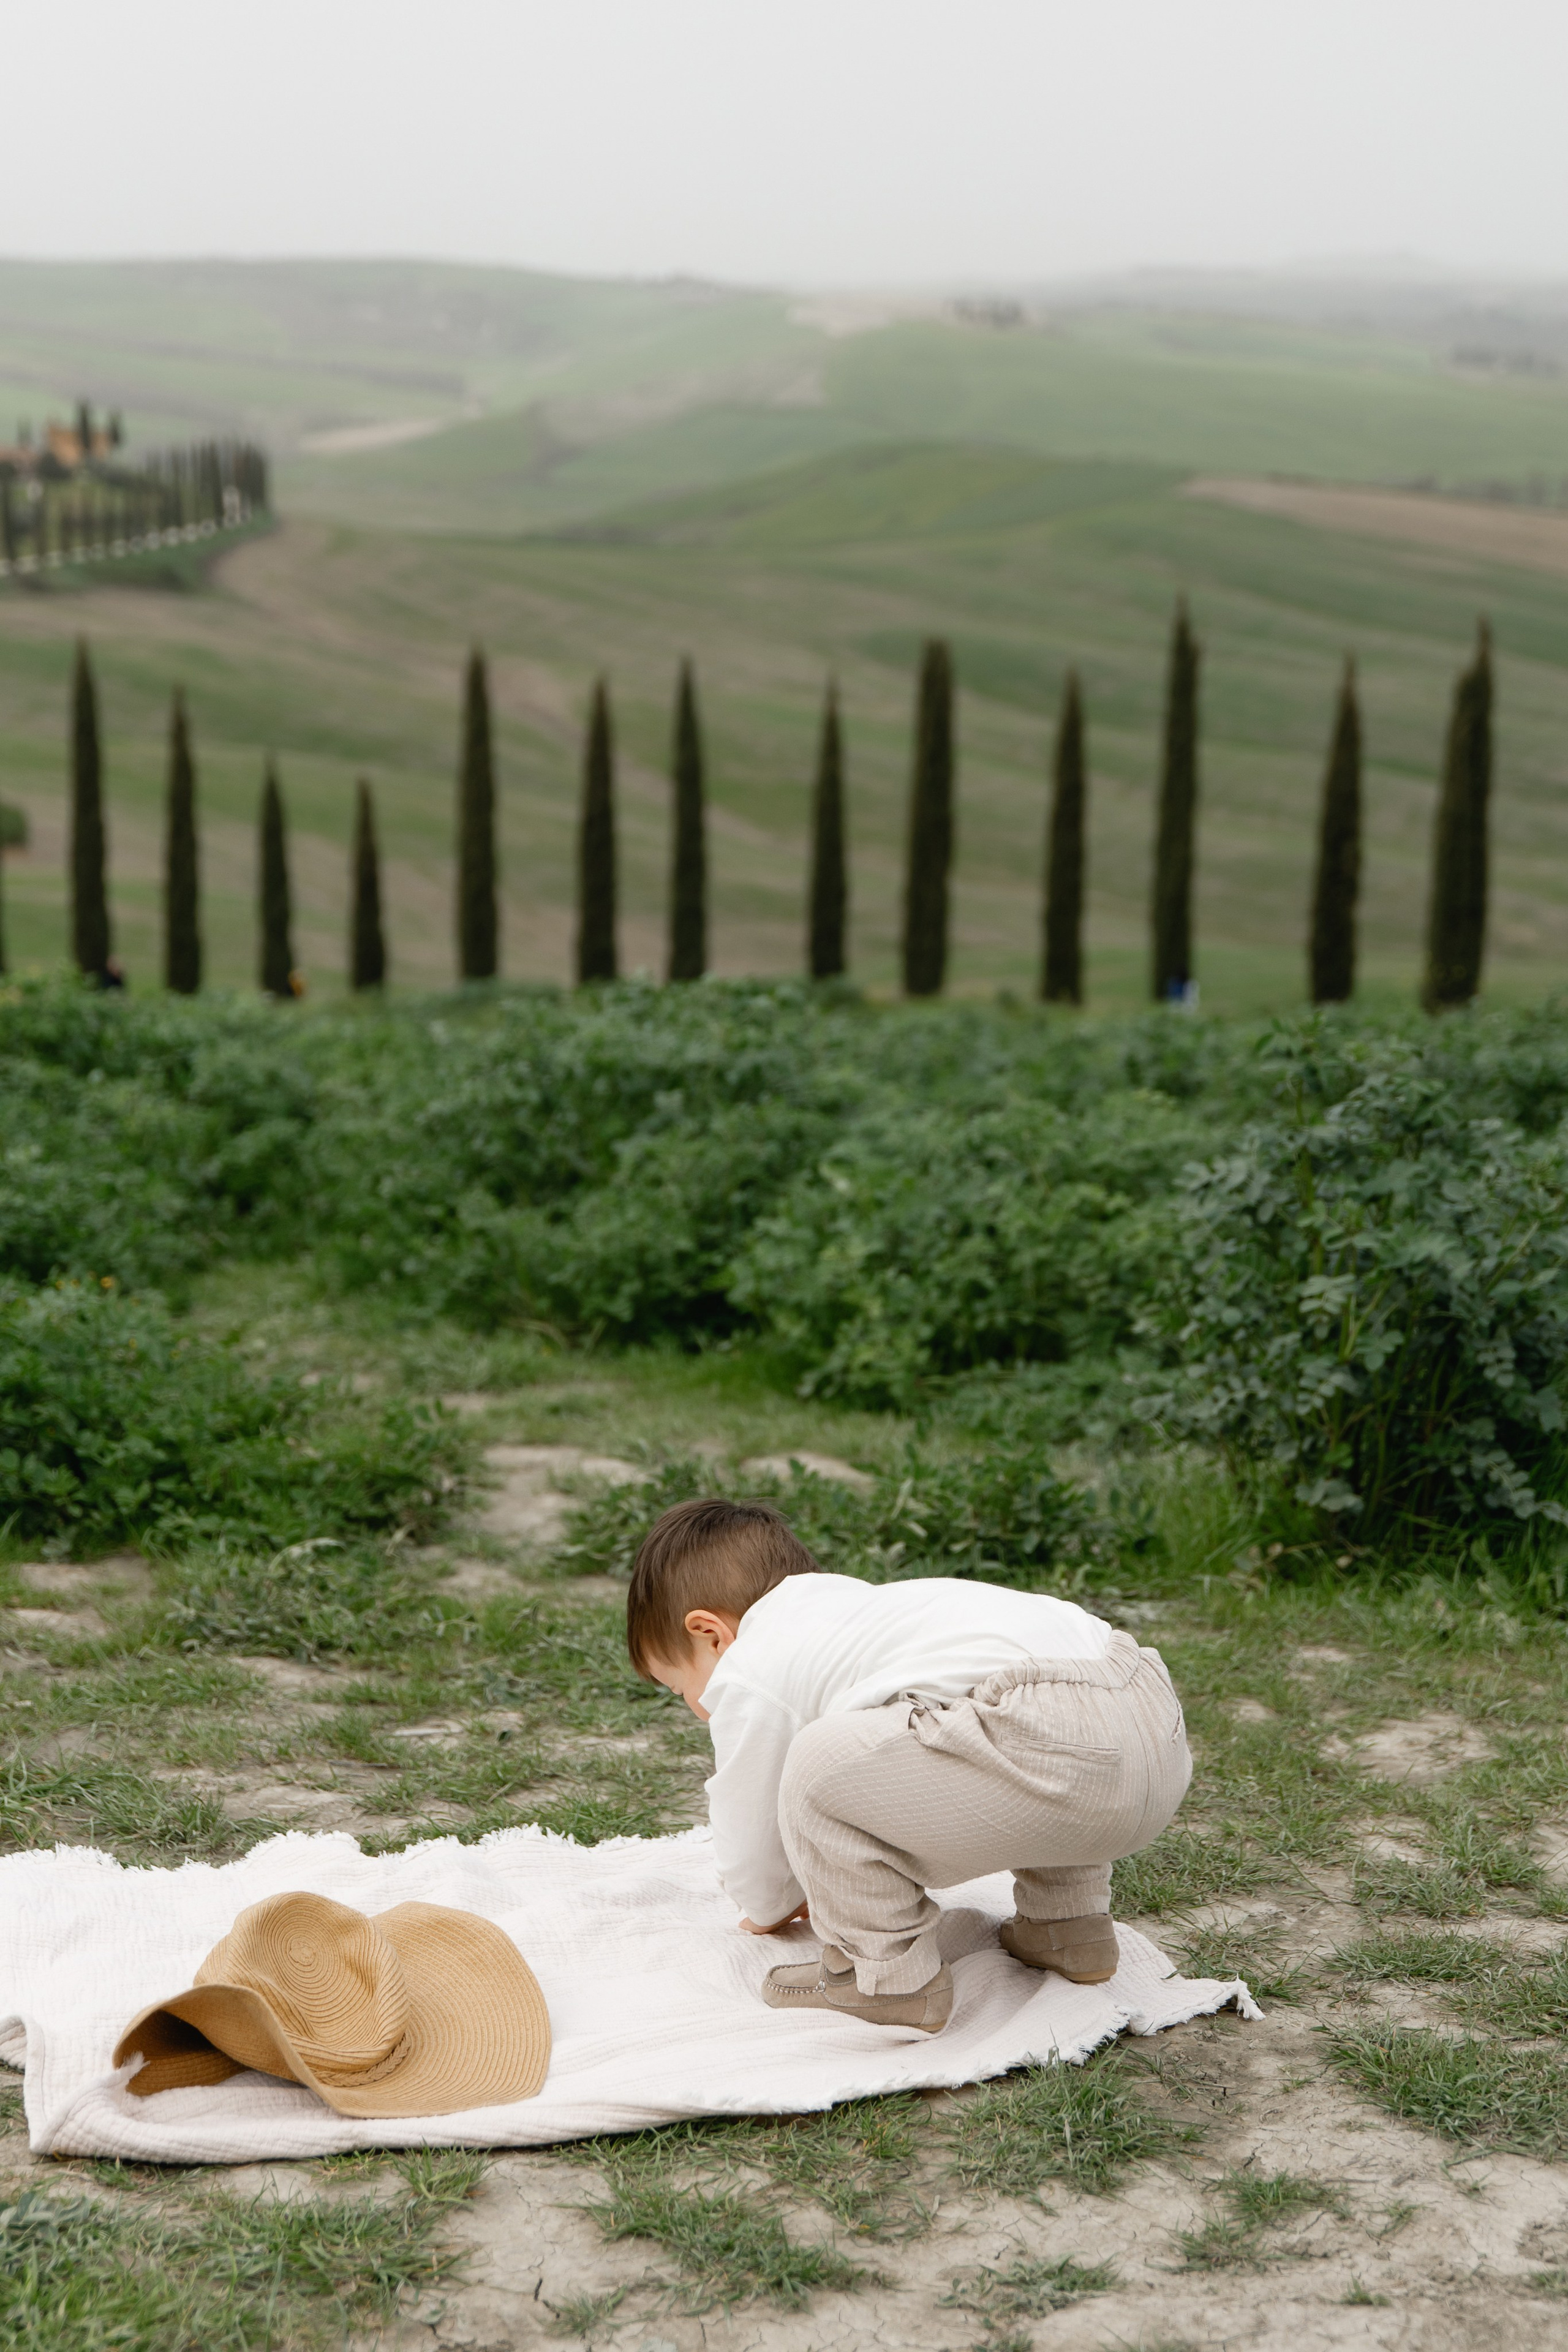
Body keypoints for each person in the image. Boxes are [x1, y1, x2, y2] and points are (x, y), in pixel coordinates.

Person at [627, 1497, 1192, 2035]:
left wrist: (766, 1903)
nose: (696, 1706)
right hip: (1149, 1716)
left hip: (1055, 1741)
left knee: (817, 1765)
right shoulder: (869, 1615)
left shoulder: (749, 1665)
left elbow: (751, 1819)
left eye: (680, 1687)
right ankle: (1068, 1926)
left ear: (711, 1635)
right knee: (984, 1732)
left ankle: (886, 1977)